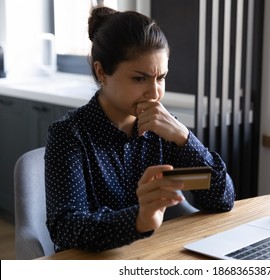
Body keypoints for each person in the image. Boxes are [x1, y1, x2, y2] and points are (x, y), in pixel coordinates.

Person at [44, 6, 235, 253]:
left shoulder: (165, 130)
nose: (155, 93)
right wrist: (139, 219)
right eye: (139, 78)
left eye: (161, 78)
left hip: (153, 258)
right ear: (101, 72)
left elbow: (222, 200)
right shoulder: (69, 135)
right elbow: (66, 228)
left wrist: (184, 138)